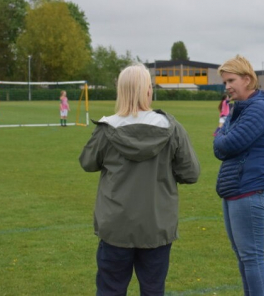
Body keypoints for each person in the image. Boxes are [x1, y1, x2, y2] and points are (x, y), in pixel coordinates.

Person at [79, 63, 200, 296]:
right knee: (153, 290)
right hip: (156, 224)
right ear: (148, 90)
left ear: (121, 91)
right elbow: (190, 173)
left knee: (110, 290)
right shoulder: (171, 128)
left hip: (116, 225)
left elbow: (87, 162)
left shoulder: (107, 129)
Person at [213, 55, 264, 296]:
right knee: (244, 257)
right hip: (236, 189)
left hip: (250, 190)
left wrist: (220, 133)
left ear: (248, 79)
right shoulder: (239, 108)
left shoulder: (259, 109)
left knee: (252, 258)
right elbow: (221, 144)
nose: (227, 87)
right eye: (224, 82)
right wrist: (221, 135)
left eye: (231, 80)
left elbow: (227, 144)